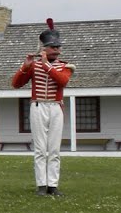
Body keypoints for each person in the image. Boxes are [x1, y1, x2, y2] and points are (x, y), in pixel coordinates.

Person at [11, 18, 74, 197]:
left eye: (58, 47)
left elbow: (62, 81)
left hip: (55, 107)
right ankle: (41, 184)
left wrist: (46, 65)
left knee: (54, 149)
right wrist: (25, 67)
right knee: (40, 149)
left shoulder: (65, 66)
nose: (57, 50)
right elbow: (16, 84)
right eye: (53, 47)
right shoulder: (34, 65)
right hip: (38, 106)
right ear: (44, 48)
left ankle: (52, 185)